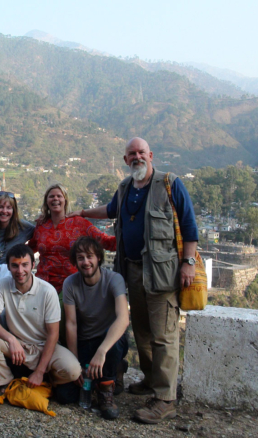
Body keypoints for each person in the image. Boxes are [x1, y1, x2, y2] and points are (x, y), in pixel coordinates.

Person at [69, 137, 198, 423]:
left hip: (162, 272)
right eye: (131, 154)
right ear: (126, 160)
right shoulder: (126, 187)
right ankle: (152, 381)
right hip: (132, 269)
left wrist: (188, 263)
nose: (137, 157)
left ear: (150, 155)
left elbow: (189, 225)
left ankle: (165, 399)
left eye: (141, 152)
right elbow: (111, 210)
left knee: (164, 334)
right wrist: (81, 213)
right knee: (142, 330)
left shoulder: (169, 183)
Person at [0, 244, 81, 401]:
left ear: (33, 265)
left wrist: (40, 370)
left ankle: (43, 378)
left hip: (45, 346)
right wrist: (11, 339)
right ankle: (4, 381)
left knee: (73, 370)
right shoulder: (3, 285)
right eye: (15, 266)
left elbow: (53, 334)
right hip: (19, 345)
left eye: (24, 265)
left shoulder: (47, 291)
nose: (20, 271)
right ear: (9, 267)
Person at [55, 237, 129, 420]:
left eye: (90, 256)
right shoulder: (71, 284)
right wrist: (75, 363)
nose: (85, 262)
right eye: (80, 258)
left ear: (98, 258)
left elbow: (123, 318)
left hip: (109, 342)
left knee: (114, 343)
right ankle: (111, 371)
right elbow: (71, 324)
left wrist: (102, 351)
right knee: (66, 396)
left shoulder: (114, 279)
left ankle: (106, 390)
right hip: (85, 342)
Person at [28, 183, 116, 294]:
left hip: (72, 287)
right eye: (51, 196)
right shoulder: (41, 225)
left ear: (65, 200)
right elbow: (29, 250)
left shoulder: (79, 223)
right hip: (43, 286)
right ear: (46, 201)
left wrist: (131, 236)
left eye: (59, 196)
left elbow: (106, 241)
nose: (55, 198)